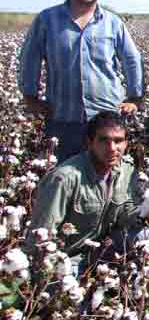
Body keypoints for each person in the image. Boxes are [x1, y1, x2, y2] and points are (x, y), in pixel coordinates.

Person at [18, 0, 144, 163]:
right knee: (65, 175)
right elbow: (30, 58)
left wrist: (135, 97)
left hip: (107, 116)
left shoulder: (113, 23)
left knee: (107, 176)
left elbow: (132, 59)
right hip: (63, 116)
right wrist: (29, 96)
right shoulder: (47, 19)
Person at [28, 111, 141, 263]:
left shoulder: (126, 169)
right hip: (65, 259)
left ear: (126, 143)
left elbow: (124, 216)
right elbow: (41, 238)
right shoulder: (64, 179)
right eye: (104, 140)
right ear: (89, 143)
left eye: (118, 140)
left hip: (99, 253)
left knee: (143, 235)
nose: (112, 148)